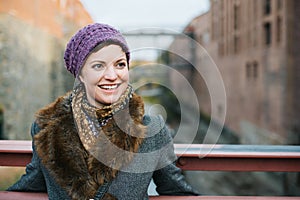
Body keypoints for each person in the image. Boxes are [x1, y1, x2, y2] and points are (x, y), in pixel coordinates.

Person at [7, 23, 200, 200]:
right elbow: (32, 184)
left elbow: (176, 190)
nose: (112, 76)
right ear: (80, 75)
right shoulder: (46, 128)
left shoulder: (152, 130)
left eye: (120, 64)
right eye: (98, 66)